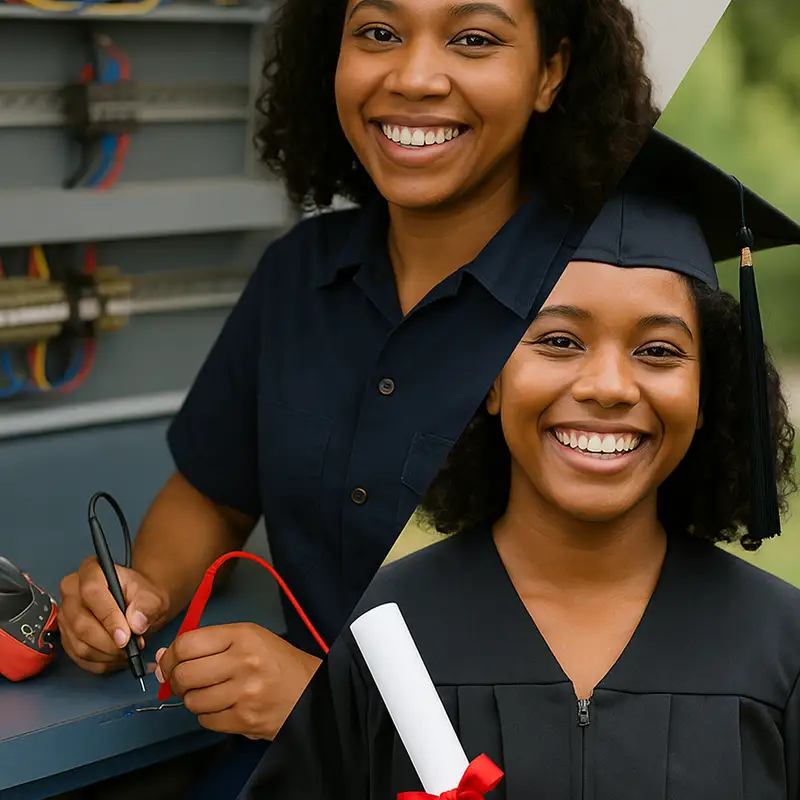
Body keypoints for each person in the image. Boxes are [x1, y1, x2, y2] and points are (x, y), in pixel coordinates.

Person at [55, 0, 657, 793]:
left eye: (474, 39)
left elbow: (625, 670)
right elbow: (212, 494)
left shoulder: (601, 308)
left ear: (550, 72)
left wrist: (329, 700)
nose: (412, 76)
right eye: (378, 32)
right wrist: (142, 591)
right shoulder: (297, 276)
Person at [239, 130, 800, 799]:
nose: (610, 386)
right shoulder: (389, 633)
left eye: (658, 351)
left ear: (709, 392)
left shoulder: (782, 647)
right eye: (559, 340)